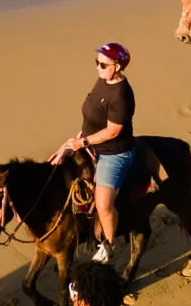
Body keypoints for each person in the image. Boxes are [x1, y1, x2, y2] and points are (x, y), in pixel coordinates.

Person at [53, 42, 136, 264]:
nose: (98, 67)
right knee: (54, 165)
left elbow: (113, 131)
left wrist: (83, 142)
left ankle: (108, 244)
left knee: (103, 204)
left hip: (112, 153)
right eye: (96, 62)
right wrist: (76, 139)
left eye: (103, 64)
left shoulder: (121, 96)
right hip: (87, 141)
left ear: (117, 66)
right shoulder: (103, 80)